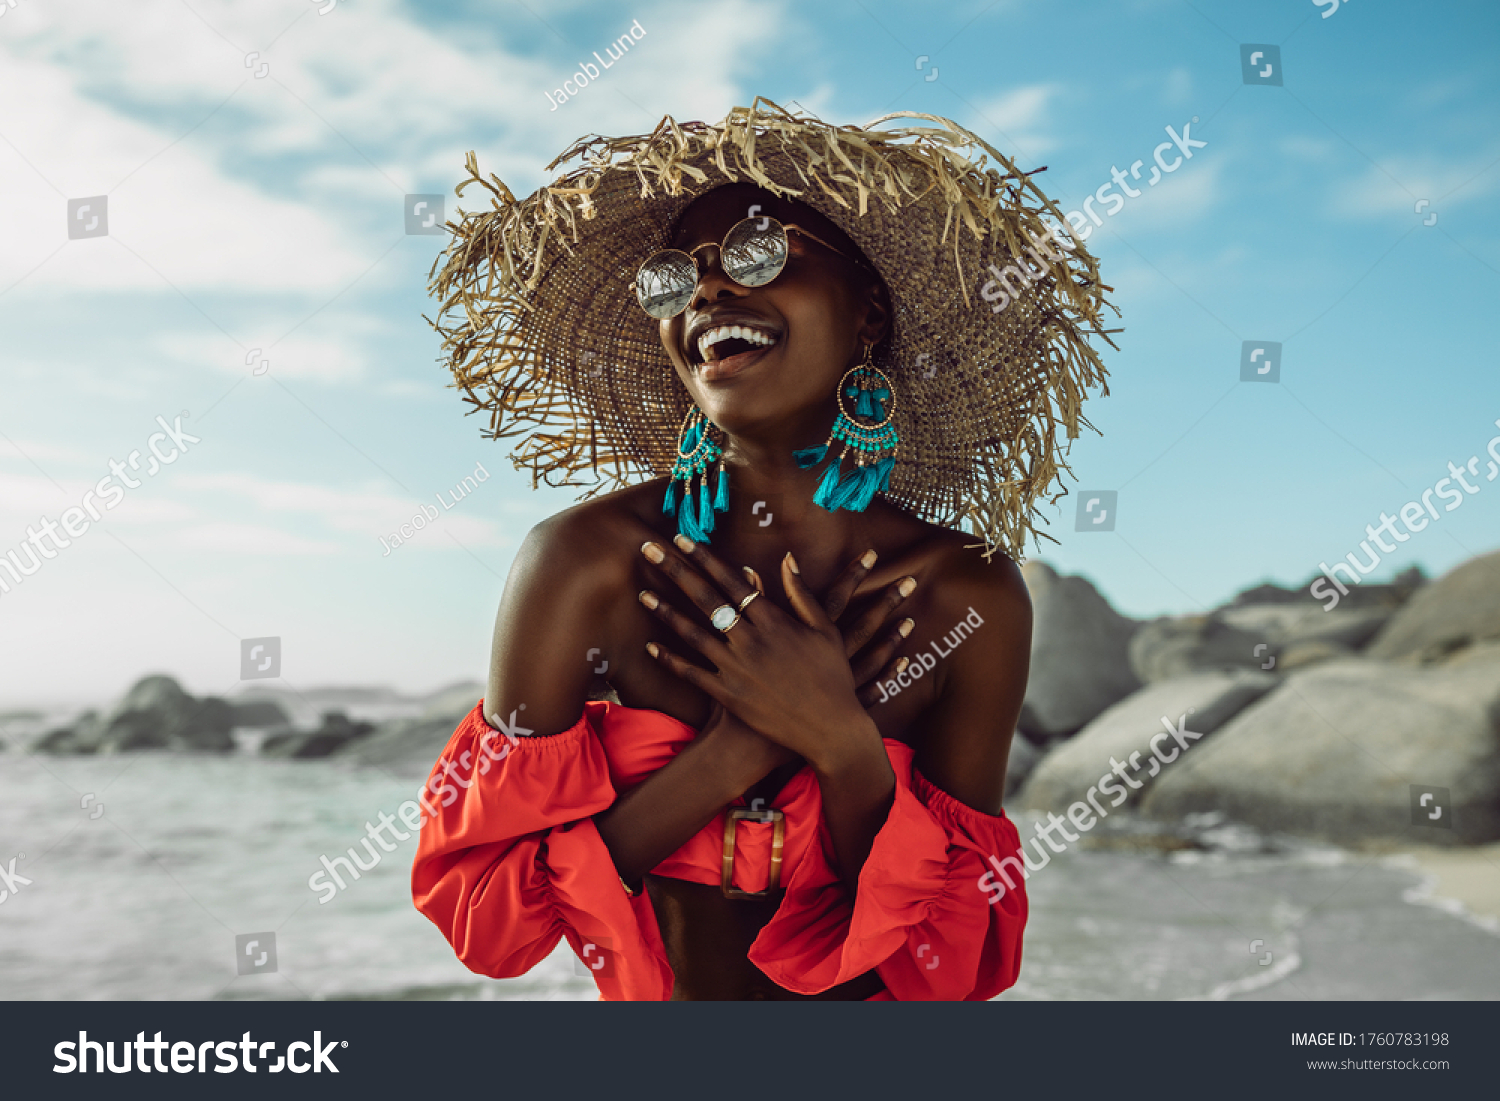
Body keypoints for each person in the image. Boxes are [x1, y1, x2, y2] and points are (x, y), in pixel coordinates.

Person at [411, 99, 1117, 1000]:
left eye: (758, 253)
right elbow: (489, 917)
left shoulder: (964, 593)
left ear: (867, 311)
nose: (706, 293)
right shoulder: (584, 564)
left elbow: (957, 959)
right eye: (674, 279)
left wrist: (845, 747)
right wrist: (732, 753)